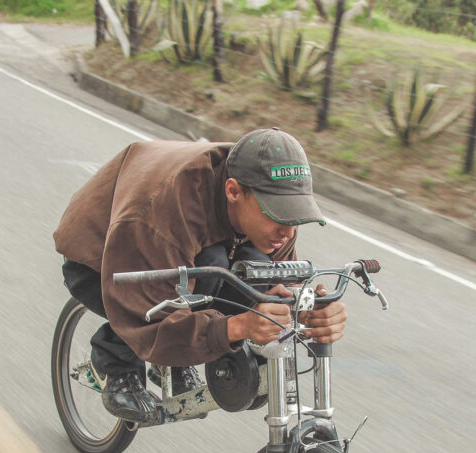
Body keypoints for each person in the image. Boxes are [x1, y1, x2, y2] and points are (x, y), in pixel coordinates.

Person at [54, 127, 347, 422]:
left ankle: (178, 354)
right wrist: (236, 327)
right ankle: (111, 361)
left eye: (294, 215)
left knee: (252, 266)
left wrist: (307, 309)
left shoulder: (272, 213)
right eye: (278, 214)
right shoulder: (164, 211)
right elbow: (149, 319)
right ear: (233, 191)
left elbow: (280, 281)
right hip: (104, 260)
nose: (288, 232)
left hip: (182, 251)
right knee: (212, 265)